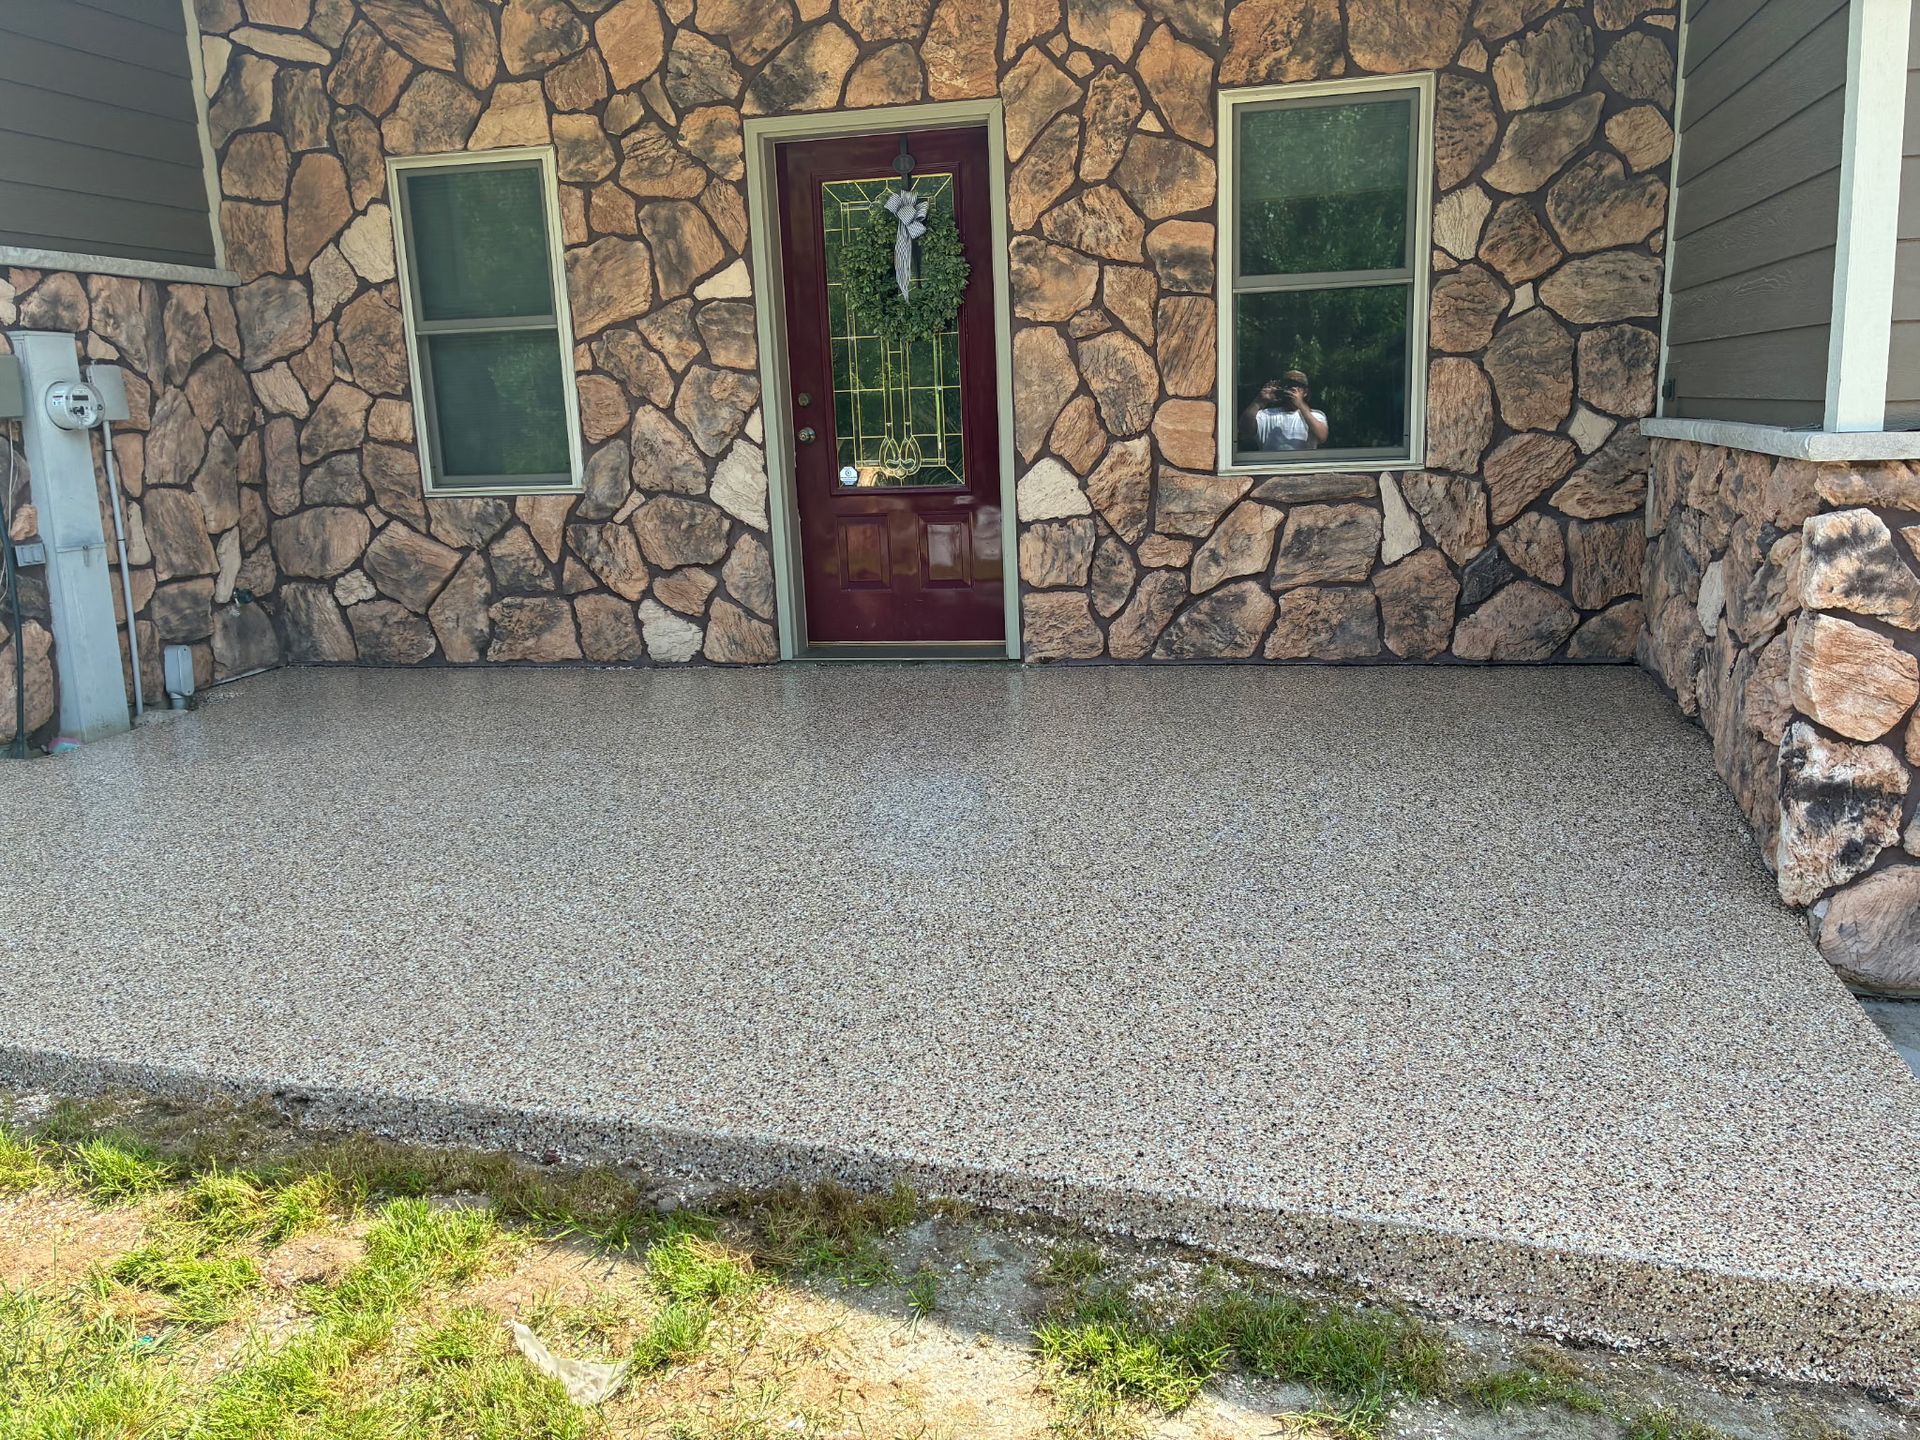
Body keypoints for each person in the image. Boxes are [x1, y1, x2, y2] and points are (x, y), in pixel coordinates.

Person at [1241, 370, 1329, 452]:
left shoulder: (1316, 415)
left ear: (1305, 392)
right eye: (1288, 385)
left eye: (1296, 385)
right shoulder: (1266, 414)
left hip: (1303, 467)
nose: (1292, 388)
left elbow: (1322, 437)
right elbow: (1244, 430)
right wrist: (1258, 401)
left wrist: (1300, 404)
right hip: (1270, 466)